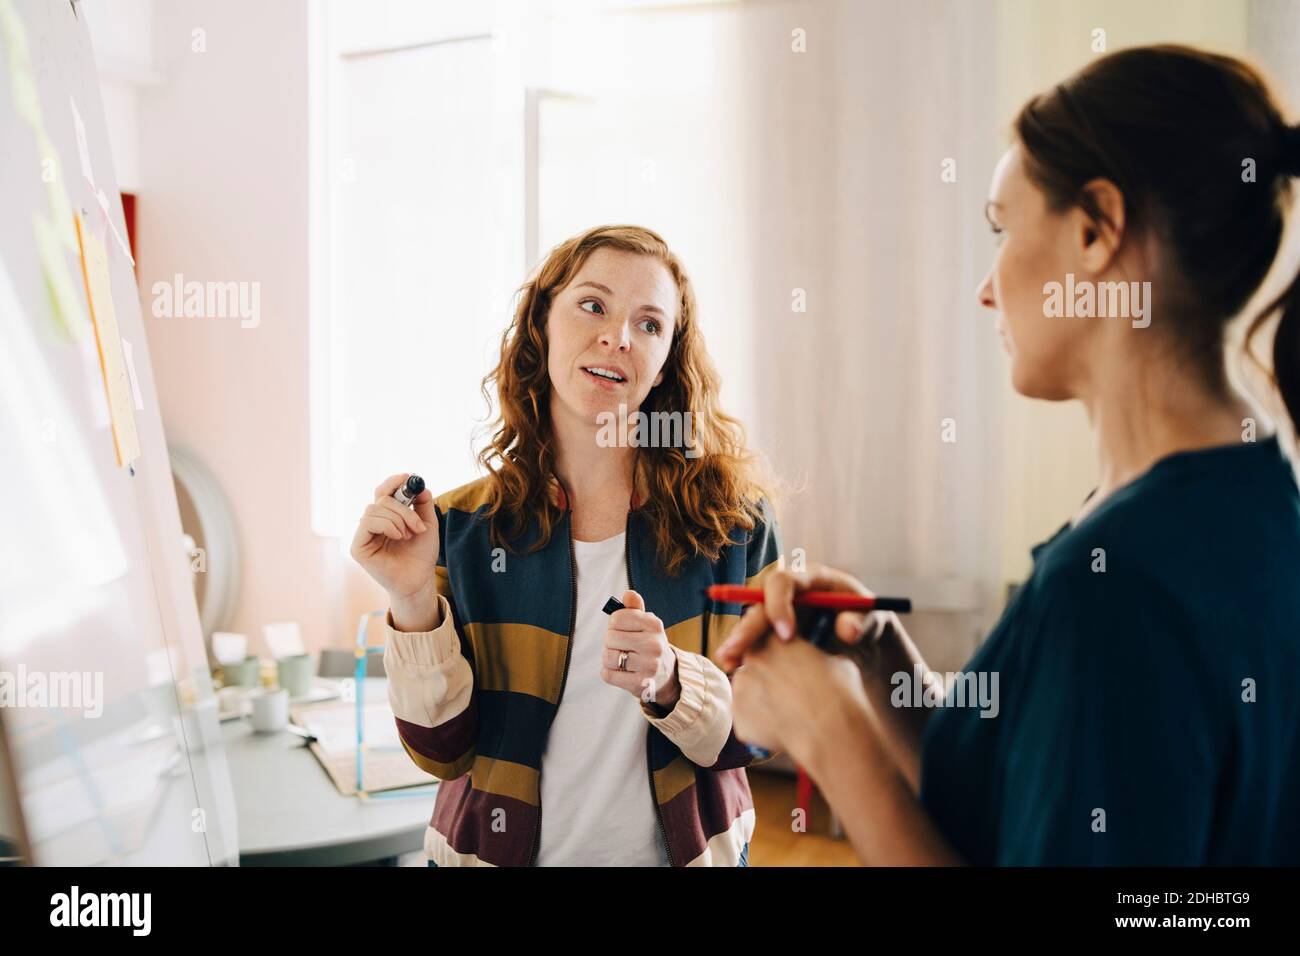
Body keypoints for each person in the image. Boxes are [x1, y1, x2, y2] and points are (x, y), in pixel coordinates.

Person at [719, 45, 1300, 865]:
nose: (987, 286)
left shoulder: (1118, 587)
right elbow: (1033, 801)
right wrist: (882, 656)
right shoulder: (1246, 494)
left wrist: (833, 739)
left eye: (1002, 228)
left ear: (1097, 229)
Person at [351, 224, 781, 866]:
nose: (617, 338)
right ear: (542, 324)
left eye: (650, 324)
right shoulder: (459, 528)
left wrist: (672, 685)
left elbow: (766, 723)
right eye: (593, 305)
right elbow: (442, 753)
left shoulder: (735, 523)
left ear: (667, 360)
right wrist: (412, 599)